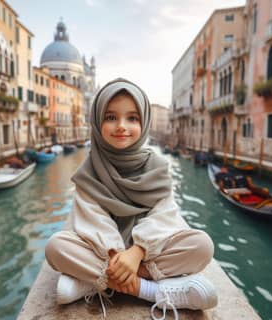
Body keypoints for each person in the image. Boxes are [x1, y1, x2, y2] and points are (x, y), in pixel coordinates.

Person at [45, 78, 218, 319]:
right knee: (55, 247)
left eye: (132, 118)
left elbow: (164, 215)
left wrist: (136, 252)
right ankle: (150, 289)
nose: (121, 126)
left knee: (202, 246)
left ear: (143, 122)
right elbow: (92, 220)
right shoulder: (90, 170)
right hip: (104, 253)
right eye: (111, 117)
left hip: (147, 253)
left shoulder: (157, 167)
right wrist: (116, 255)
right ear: (97, 121)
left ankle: (98, 281)